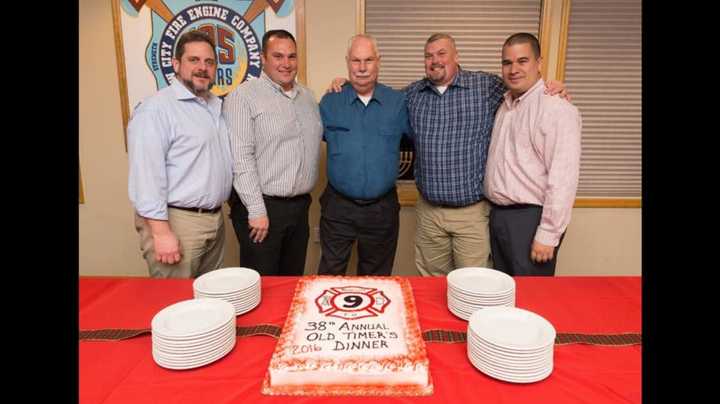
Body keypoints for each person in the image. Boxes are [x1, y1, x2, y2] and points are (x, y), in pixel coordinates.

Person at [328, 33, 567, 277]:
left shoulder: (486, 87)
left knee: (475, 285)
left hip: (471, 215)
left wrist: (549, 86)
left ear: (456, 56)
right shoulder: (411, 95)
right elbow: (374, 98)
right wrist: (344, 85)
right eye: (428, 56)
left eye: (442, 54)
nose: (435, 60)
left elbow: (520, 84)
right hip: (429, 214)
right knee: (432, 286)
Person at [127, 30, 233, 278]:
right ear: (176, 64)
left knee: (208, 302)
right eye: (193, 60)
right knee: (175, 304)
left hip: (214, 220)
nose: (202, 68)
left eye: (209, 62)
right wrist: (161, 233)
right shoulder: (156, 110)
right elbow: (146, 176)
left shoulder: (215, 106)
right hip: (176, 221)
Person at [223, 29, 323, 276]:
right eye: (278, 56)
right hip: (261, 209)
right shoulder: (243, 97)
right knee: (263, 285)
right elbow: (241, 158)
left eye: (292, 56)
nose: (286, 64)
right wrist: (256, 211)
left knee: (291, 283)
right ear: (263, 58)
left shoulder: (307, 97)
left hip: (299, 208)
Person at [484, 33, 581, 276]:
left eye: (522, 61)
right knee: (504, 295)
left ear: (539, 63)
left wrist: (548, 233)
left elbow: (564, 177)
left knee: (532, 299)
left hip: (531, 220)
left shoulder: (556, 108)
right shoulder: (505, 106)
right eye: (507, 63)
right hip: (499, 216)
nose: (513, 69)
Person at [317, 34, 410, 276]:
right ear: (347, 62)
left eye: (368, 60)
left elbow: (420, 141)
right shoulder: (330, 102)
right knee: (329, 276)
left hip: (382, 209)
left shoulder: (398, 102)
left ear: (379, 61)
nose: (361, 68)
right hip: (338, 207)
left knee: (376, 280)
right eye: (356, 60)